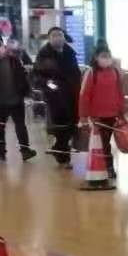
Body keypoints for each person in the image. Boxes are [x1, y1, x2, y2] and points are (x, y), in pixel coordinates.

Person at [0, 39, 35, 162]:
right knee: (0, 127)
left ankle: (25, 150)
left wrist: (27, 93)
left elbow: (22, 77)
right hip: (0, 102)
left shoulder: (14, 60)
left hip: (16, 100)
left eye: (0, 45)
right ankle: (1, 152)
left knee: (20, 126)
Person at [33, 26, 80, 167]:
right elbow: (36, 75)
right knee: (61, 127)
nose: (57, 38)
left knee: (71, 126)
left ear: (64, 37)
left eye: (60, 35)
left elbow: (75, 72)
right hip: (55, 96)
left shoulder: (70, 53)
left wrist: (79, 86)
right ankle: (64, 158)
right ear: (49, 38)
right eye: (54, 35)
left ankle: (58, 149)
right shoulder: (44, 54)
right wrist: (48, 84)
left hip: (71, 94)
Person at [79, 43, 126, 178]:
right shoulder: (91, 73)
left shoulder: (115, 72)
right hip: (97, 116)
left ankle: (104, 166)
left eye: (108, 56)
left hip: (112, 114)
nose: (106, 59)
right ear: (96, 57)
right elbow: (84, 95)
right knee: (103, 143)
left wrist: (122, 110)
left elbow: (119, 92)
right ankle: (108, 167)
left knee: (106, 141)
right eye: (103, 56)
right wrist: (83, 116)